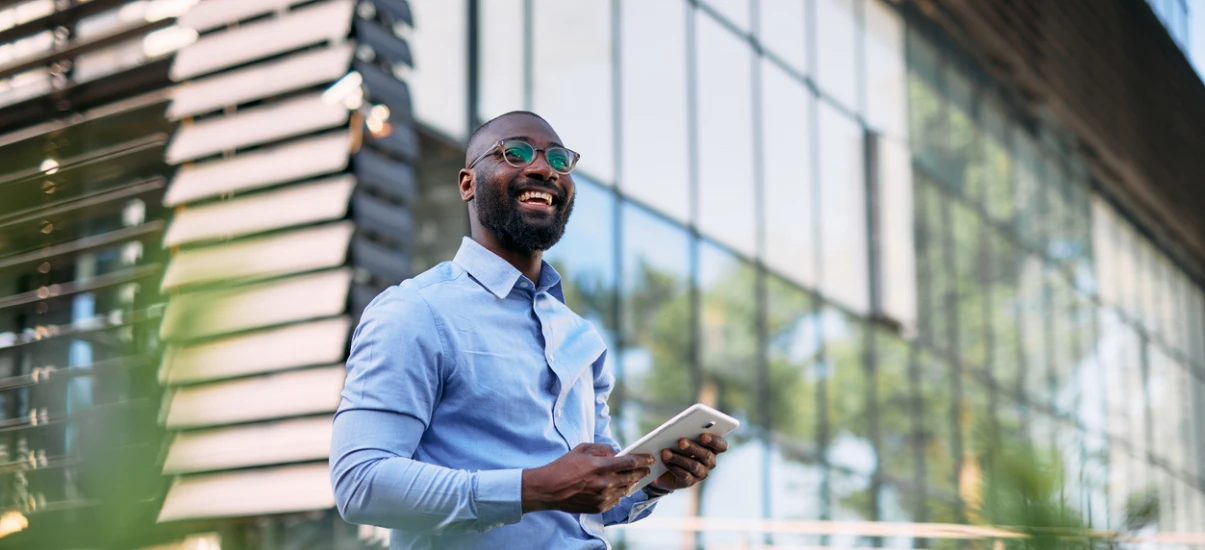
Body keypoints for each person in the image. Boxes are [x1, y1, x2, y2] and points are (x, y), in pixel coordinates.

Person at [330, 111, 728, 549]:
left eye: (558, 159)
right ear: (468, 183)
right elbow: (360, 483)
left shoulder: (582, 338)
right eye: (514, 153)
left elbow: (586, 502)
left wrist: (653, 481)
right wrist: (534, 488)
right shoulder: (416, 311)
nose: (543, 169)